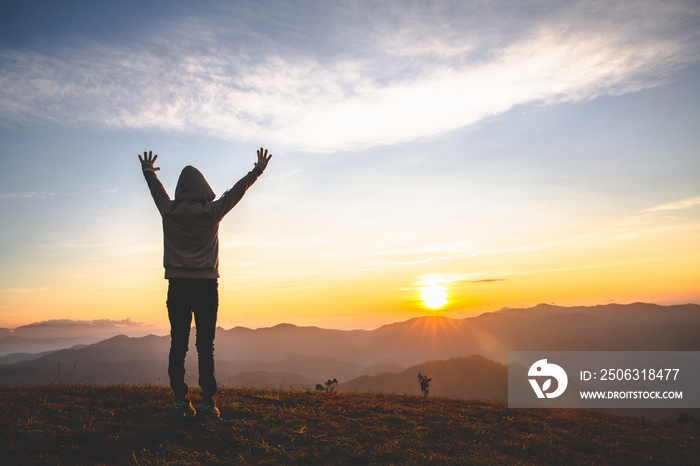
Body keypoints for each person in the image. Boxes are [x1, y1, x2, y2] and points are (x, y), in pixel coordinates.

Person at [138, 148, 271, 420]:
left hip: (177, 285)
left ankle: (179, 399)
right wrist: (257, 171)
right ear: (203, 187)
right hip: (206, 286)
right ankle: (208, 403)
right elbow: (236, 192)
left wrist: (148, 171)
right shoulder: (212, 212)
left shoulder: (170, 210)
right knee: (205, 345)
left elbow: (157, 192)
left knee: (178, 344)